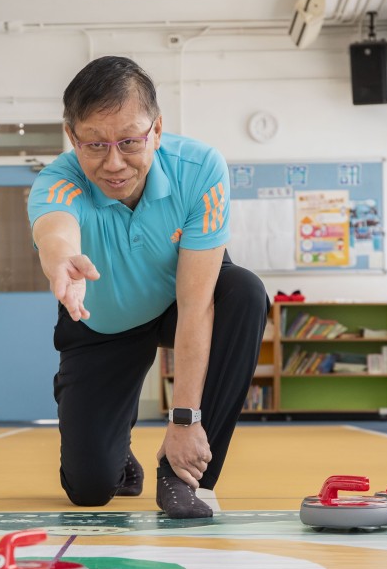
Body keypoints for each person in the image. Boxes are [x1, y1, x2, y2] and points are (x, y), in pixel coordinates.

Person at [27, 56, 268, 519]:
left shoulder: (199, 170)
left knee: (243, 293)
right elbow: (55, 229)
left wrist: (184, 420)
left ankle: (184, 477)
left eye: (130, 141)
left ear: (157, 129)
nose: (113, 162)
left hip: (179, 300)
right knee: (91, 488)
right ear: (71, 136)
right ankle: (117, 449)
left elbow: (197, 308)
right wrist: (61, 260)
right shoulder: (58, 179)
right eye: (94, 144)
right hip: (104, 318)